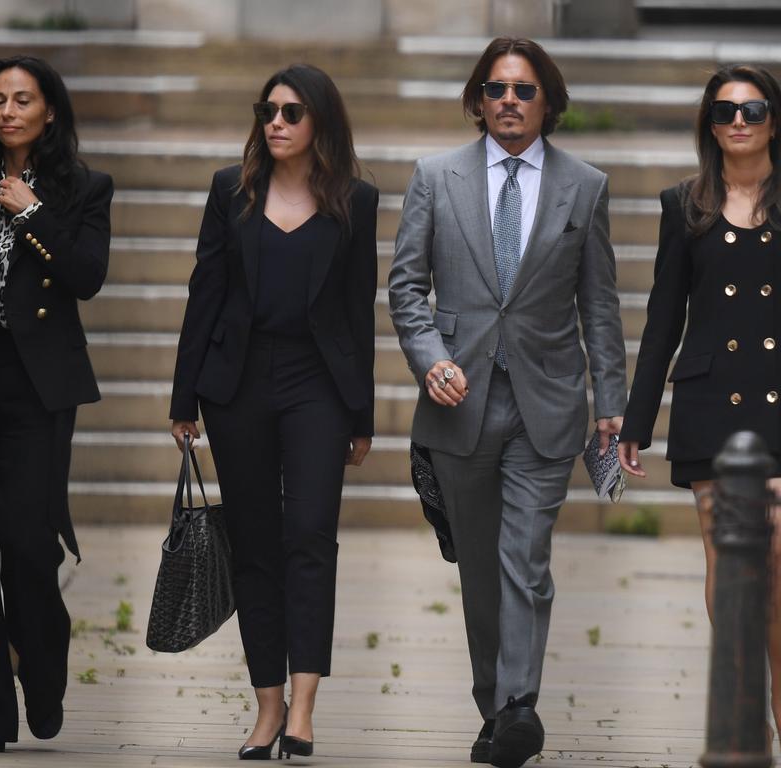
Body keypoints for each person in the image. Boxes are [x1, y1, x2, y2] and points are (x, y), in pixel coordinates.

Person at [389, 37, 627, 768]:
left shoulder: (584, 186)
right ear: (478, 100)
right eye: (496, 89)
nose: (509, 102)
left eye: (523, 91)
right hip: (460, 404)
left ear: (547, 102)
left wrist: (611, 403)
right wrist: (431, 362)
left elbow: (600, 303)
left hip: (547, 403)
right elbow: (406, 289)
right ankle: (495, 703)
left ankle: (519, 707)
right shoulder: (435, 176)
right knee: (482, 571)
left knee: (525, 559)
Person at [169, 63, 378, 760]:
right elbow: (206, 290)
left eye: (292, 112)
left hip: (318, 385)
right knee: (255, 544)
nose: (277, 123)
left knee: (312, 536)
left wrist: (361, 413)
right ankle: (267, 707)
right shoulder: (233, 190)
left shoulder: (357, 199)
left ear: (321, 121)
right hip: (239, 385)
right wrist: (183, 397)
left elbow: (357, 311)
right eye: (269, 111)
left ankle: (304, 707)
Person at [0, 55, 113, 753]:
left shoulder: (85, 190)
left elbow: (87, 276)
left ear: (49, 112)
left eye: (22, 100)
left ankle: (42, 666)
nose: (7, 111)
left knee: (28, 545)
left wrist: (32, 212)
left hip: (42, 388)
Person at [619, 64, 781, 742]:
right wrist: (636, 421)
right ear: (708, 125)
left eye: (751, 107)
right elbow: (663, 320)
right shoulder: (683, 202)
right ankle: (745, 710)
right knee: (724, 558)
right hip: (711, 401)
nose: (738, 120)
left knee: (775, 560)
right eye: (724, 111)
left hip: (777, 403)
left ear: (774, 116)